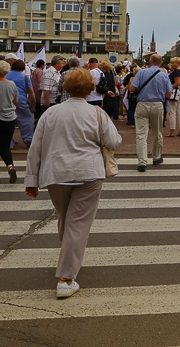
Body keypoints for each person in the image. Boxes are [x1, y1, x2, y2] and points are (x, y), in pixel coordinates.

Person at [25, 67, 122, 298]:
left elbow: (35, 148)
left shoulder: (50, 113)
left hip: (56, 173)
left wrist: (31, 179)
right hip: (88, 172)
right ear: (90, 90)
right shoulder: (97, 113)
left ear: (65, 88)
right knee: (77, 223)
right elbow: (114, 141)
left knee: (66, 218)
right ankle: (66, 278)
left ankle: (69, 256)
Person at [130, 53, 172, 171]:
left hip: (142, 104)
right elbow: (168, 94)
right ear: (160, 63)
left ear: (150, 61)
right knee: (157, 132)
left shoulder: (141, 73)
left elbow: (132, 88)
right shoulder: (164, 75)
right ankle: (156, 156)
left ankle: (142, 162)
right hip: (157, 104)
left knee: (141, 134)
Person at [6, 59, 35, 147]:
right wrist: (33, 102)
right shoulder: (25, 78)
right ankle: (27, 138)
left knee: (8, 122)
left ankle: (9, 142)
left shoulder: (6, 76)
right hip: (21, 101)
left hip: (7, 101)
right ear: (22, 68)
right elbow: (31, 92)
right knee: (27, 119)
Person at [37, 55, 65, 121]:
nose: (63, 65)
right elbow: (46, 89)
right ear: (57, 63)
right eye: (62, 63)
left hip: (54, 101)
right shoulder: (49, 72)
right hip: (50, 102)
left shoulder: (57, 73)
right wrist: (47, 101)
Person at [166, 57, 180, 138]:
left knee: (172, 112)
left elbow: (177, 83)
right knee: (179, 111)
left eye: (173, 63)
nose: (171, 64)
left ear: (177, 63)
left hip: (174, 93)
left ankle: (172, 131)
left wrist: (169, 89)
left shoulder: (176, 72)